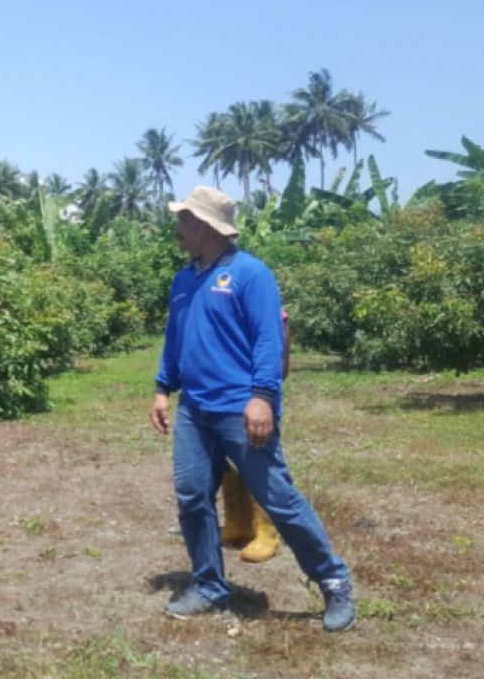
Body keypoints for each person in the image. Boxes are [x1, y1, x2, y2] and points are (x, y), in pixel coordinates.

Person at [149, 186, 355, 632]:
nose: (178, 229)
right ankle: (209, 583)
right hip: (195, 410)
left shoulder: (251, 274)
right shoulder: (184, 278)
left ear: (205, 227)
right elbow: (175, 337)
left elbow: (268, 338)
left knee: (278, 498)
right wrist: (164, 388)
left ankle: (333, 578)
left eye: (184, 221)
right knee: (192, 496)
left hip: (241, 409)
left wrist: (262, 396)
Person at [220, 310, 289, 563]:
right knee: (224, 462)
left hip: (253, 398)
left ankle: (266, 530)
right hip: (220, 396)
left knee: (259, 464)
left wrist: (262, 398)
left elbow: (279, 362)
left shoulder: (272, 313)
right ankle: (238, 522)